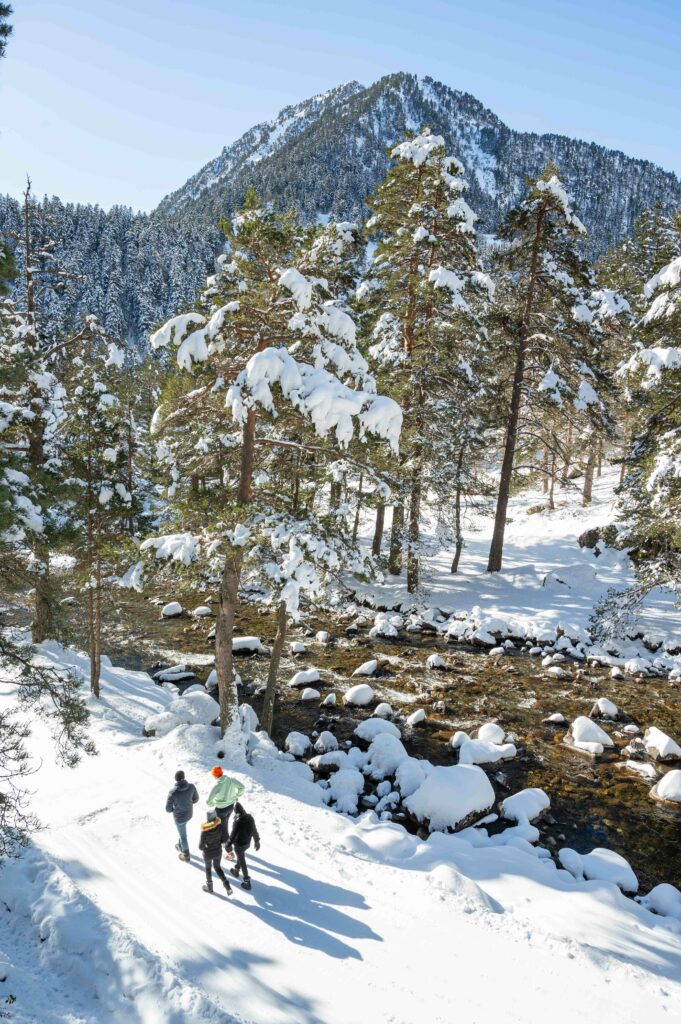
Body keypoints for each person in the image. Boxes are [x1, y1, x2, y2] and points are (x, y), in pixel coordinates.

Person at [206, 766, 245, 858]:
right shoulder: (231, 780)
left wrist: (214, 802)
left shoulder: (217, 786)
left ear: (214, 776)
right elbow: (242, 787)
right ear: (222, 773)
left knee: (223, 830)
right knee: (224, 825)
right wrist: (237, 795)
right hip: (230, 807)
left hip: (220, 810)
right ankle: (222, 842)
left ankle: (229, 851)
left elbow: (209, 802)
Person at [165, 769, 198, 862]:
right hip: (189, 814)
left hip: (179, 818)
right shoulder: (191, 787)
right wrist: (188, 802)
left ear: (175, 779)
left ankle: (186, 854)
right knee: (182, 832)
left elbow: (168, 809)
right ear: (184, 777)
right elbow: (196, 799)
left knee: (183, 836)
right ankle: (180, 845)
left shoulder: (173, 792)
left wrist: (174, 809)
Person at [227, 802, 260, 891]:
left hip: (239, 845)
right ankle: (236, 870)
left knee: (242, 861)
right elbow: (254, 830)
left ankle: (246, 881)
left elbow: (233, 835)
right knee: (240, 856)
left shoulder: (238, 821)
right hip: (247, 844)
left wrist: (228, 844)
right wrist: (257, 841)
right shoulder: (250, 818)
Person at [198, 811, 232, 895]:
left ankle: (210, 888)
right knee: (218, 867)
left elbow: (200, 846)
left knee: (208, 869)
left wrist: (206, 848)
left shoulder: (205, 831)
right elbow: (224, 840)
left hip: (208, 854)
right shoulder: (220, 826)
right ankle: (227, 886)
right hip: (218, 852)